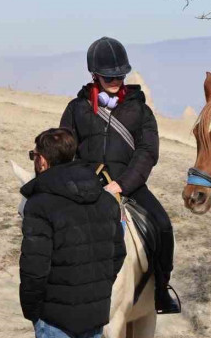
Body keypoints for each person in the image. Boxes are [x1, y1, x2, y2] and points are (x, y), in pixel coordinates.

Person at [59, 37, 180, 314]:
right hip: (86, 185)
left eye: (119, 75)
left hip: (130, 186)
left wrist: (122, 184)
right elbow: (65, 149)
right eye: (108, 76)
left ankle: (161, 290)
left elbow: (148, 151)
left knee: (163, 226)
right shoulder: (76, 109)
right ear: (94, 75)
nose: (115, 80)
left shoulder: (140, 110)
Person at [20, 128, 125, 338]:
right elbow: (118, 255)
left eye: (34, 155)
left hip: (54, 320)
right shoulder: (106, 201)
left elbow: (34, 269)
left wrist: (33, 312)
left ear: (42, 160)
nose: (34, 160)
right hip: (95, 316)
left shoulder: (39, 204)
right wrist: (97, 292)